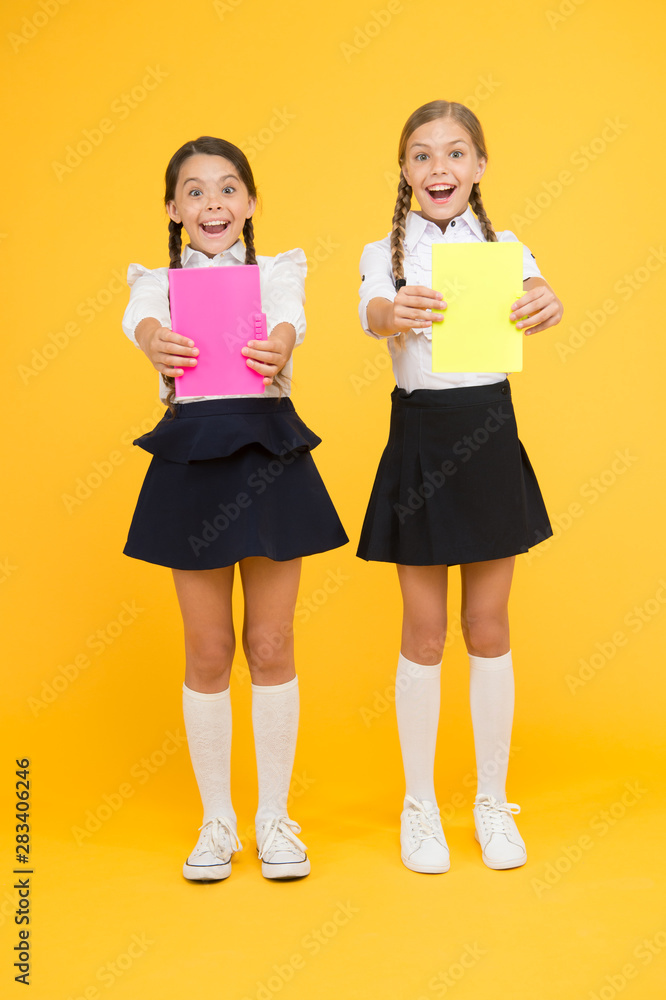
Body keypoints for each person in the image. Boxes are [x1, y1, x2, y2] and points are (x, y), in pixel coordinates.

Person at [121, 135, 348, 882]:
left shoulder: (277, 270)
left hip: (269, 452)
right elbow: (140, 319)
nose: (212, 203)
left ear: (249, 203)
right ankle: (216, 821)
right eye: (194, 191)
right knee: (209, 649)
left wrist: (280, 341)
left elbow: (289, 314)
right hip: (193, 459)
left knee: (272, 644)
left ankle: (274, 819)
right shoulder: (158, 283)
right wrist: (155, 341)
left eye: (227, 189)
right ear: (173, 209)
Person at [357, 101, 563, 873]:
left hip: (489, 434)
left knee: (488, 625)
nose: (437, 167)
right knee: (424, 630)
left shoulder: (506, 247)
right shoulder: (384, 252)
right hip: (421, 437)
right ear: (404, 171)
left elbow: (539, 290)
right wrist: (392, 311)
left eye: (454, 153)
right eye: (421, 155)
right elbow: (371, 311)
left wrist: (547, 300)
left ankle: (491, 802)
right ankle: (419, 806)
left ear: (479, 166)